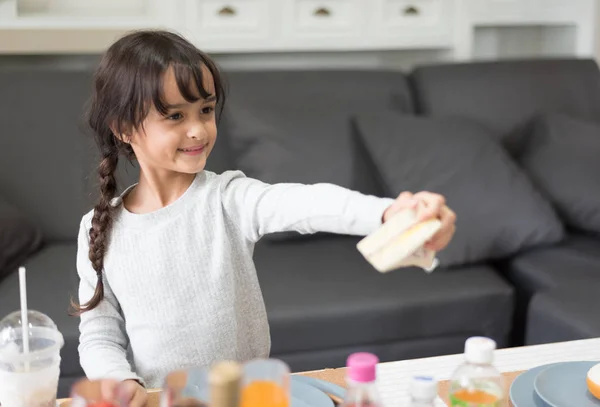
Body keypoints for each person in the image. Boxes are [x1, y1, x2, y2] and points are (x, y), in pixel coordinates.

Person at [73, 29, 456, 406]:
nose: (197, 129)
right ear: (123, 128)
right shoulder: (99, 228)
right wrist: (119, 381)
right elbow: (100, 331)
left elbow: (306, 203)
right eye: (174, 115)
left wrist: (387, 212)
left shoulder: (227, 198)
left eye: (205, 110)